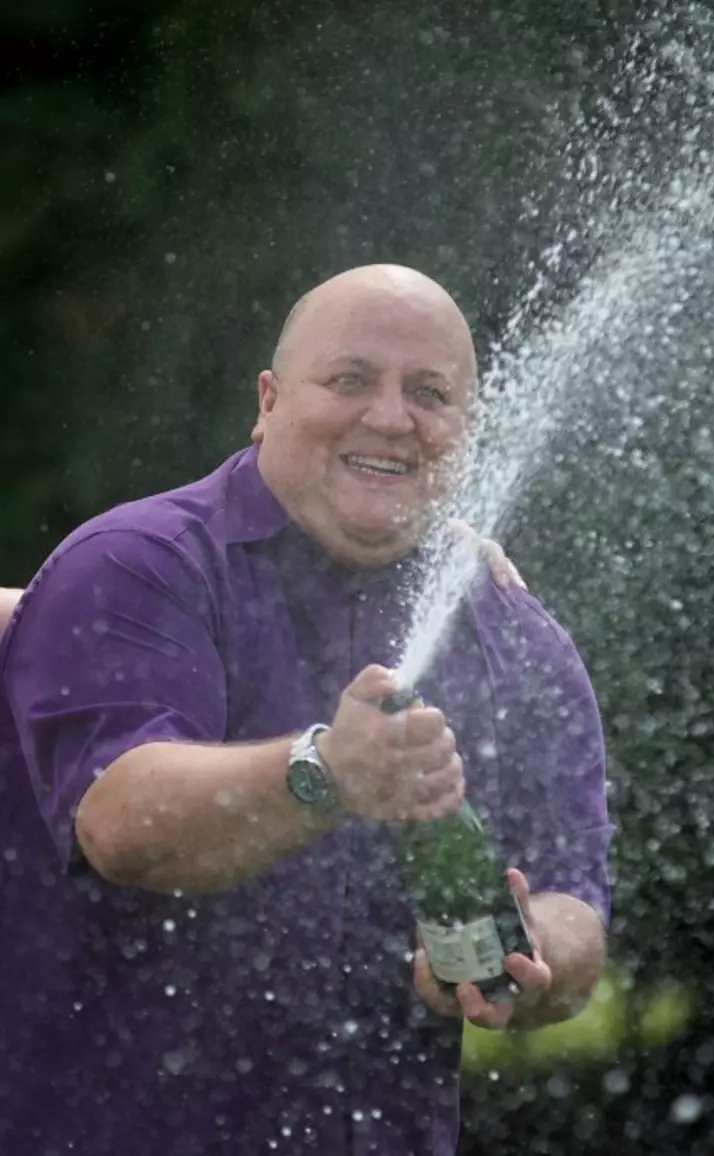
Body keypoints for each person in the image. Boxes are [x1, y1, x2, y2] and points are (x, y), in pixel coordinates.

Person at [0, 264, 614, 1155]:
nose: (393, 418)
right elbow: (123, 822)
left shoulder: (519, 642)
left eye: (431, 394)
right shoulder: (134, 568)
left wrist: (531, 954)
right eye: (351, 380)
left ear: (469, 430)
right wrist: (327, 772)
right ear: (269, 400)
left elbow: (575, 903)